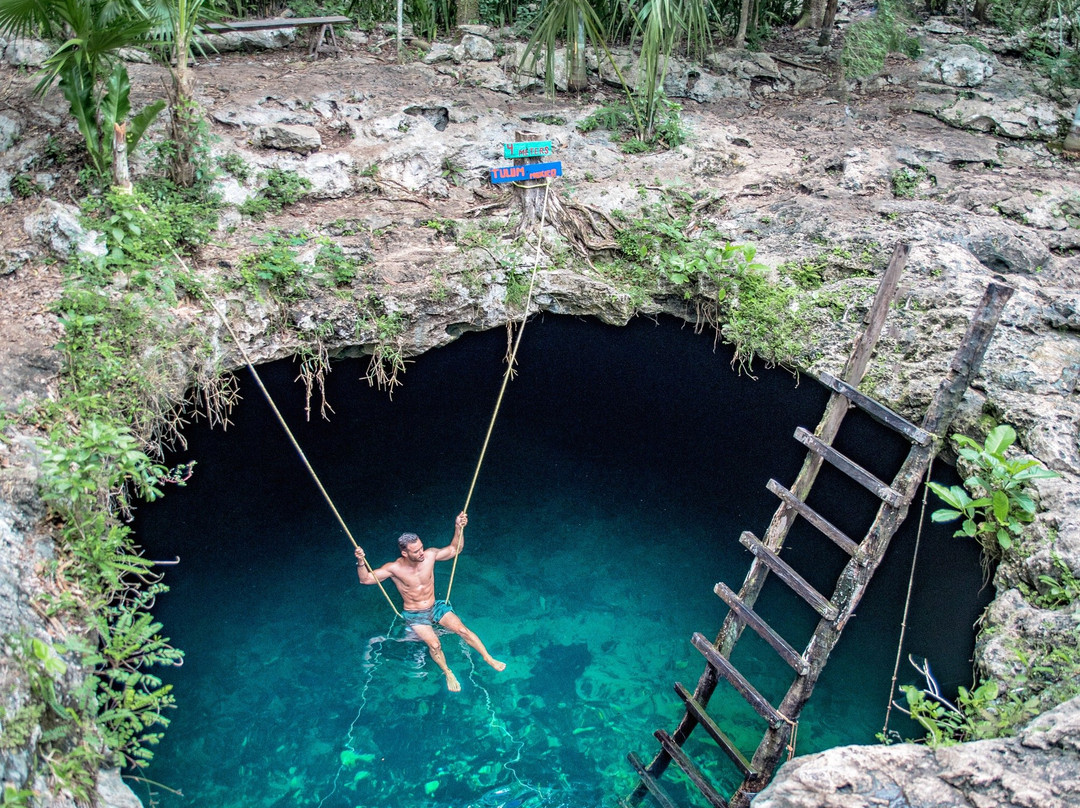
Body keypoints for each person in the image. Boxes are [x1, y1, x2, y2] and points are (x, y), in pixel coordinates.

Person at [354, 511, 506, 692]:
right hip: (415, 615)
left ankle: (488, 658)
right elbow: (366, 580)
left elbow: (455, 549)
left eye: (421, 548)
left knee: (462, 630)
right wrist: (361, 562)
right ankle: (447, 672)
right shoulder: (394, 569)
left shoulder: (430, 555)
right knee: (435, 644)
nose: (421, 553)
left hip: (435, 607)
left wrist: (458, 527)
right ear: (404, 552)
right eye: (416, 551)